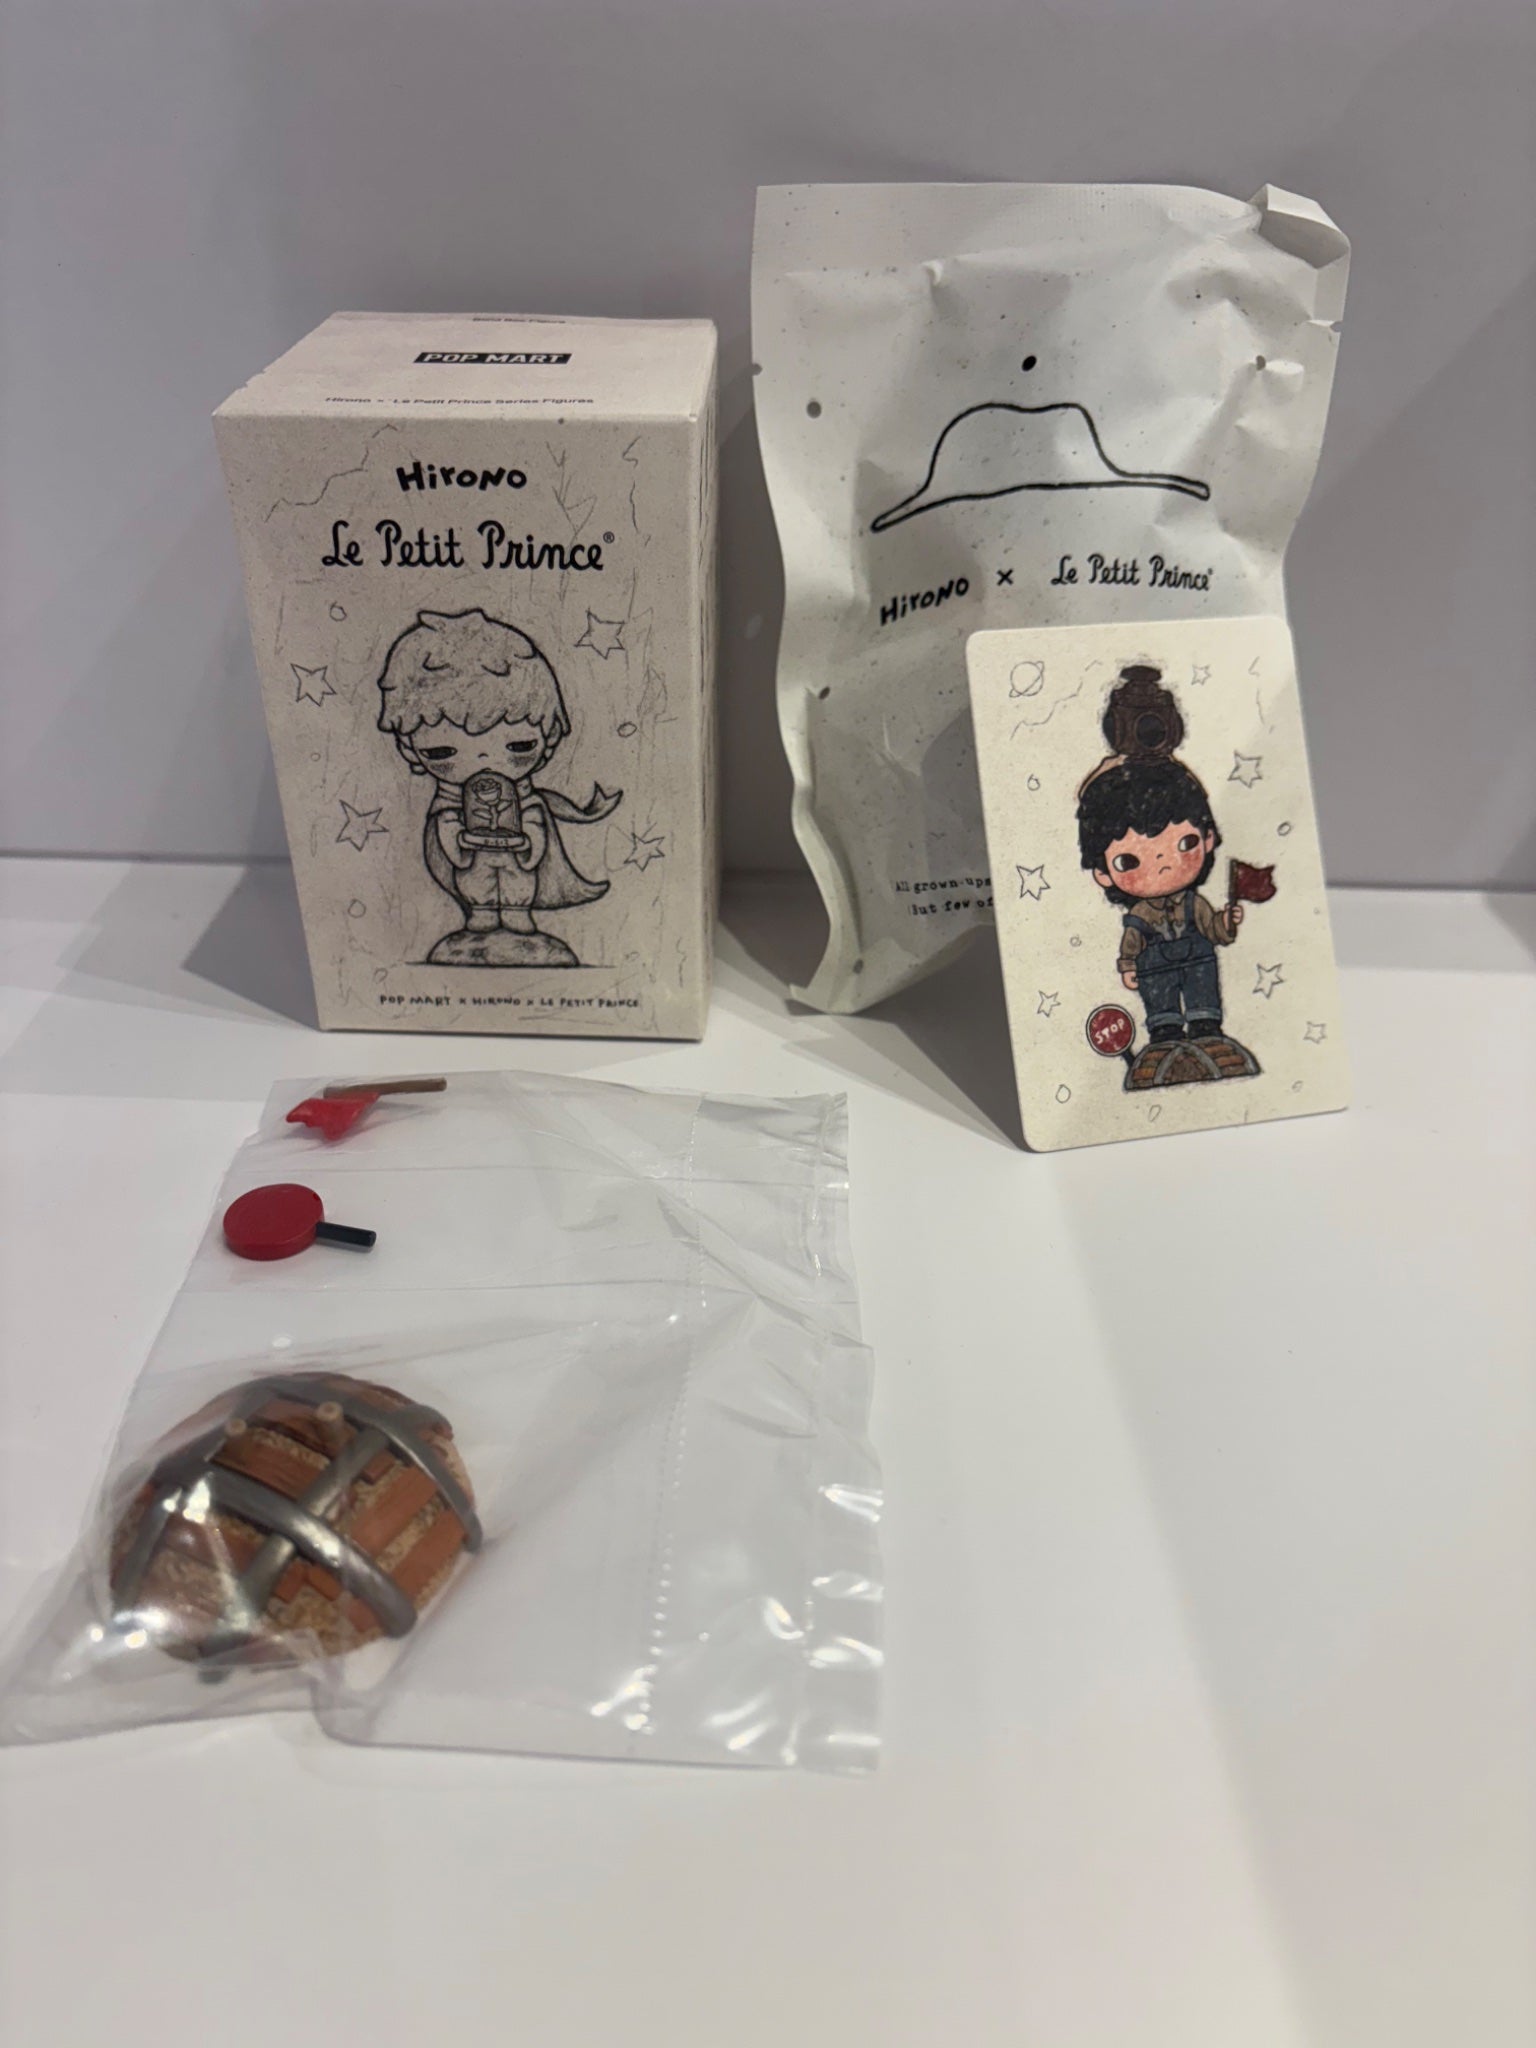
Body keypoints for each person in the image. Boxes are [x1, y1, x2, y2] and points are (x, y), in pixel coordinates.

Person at [377, 607, 620, 966]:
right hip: (473, 859)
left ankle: (519, 918)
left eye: (519, 746)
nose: (484, 762)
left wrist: (530, 839)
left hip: (516, 858)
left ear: (550, 735)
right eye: (442, 751)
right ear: (409, 748)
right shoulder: (449, 802)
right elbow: (447, 830)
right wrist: (456, 837)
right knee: (476, 885)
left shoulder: (525, 799)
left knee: (519, 885)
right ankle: (481, 918)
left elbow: (534, 824)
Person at [1076, 667, 1243, 1044]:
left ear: (1208, 839)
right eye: (1130, 861)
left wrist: (1226, 922)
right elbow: (1131, 944)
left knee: (1203, 993)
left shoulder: (1195, 904)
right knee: (1161, 1002)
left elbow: (1214, 931)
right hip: (1156, 968)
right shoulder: (1140, 914)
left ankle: (1205, 1027)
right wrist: (1128, 966)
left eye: (1185, 844)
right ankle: (1165, 1030)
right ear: (1103, 872)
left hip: (1198, 963)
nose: (1165, 865)